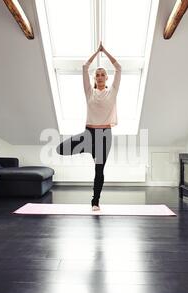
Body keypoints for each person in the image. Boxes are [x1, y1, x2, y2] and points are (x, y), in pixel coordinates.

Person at [56, 41, 122, 211]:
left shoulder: (112, 91)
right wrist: (96, 52)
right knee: (61, 149)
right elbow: (84, 67)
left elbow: (119, 68)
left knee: (99, 170)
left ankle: (95, 201)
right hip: (89, 132)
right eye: (97, 74)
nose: (99, 76)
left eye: (102, 74)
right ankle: (89, 149)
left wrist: (105, 51)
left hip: (105, 134)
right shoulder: (89, 92)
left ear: (106, 78)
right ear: (94, 78)